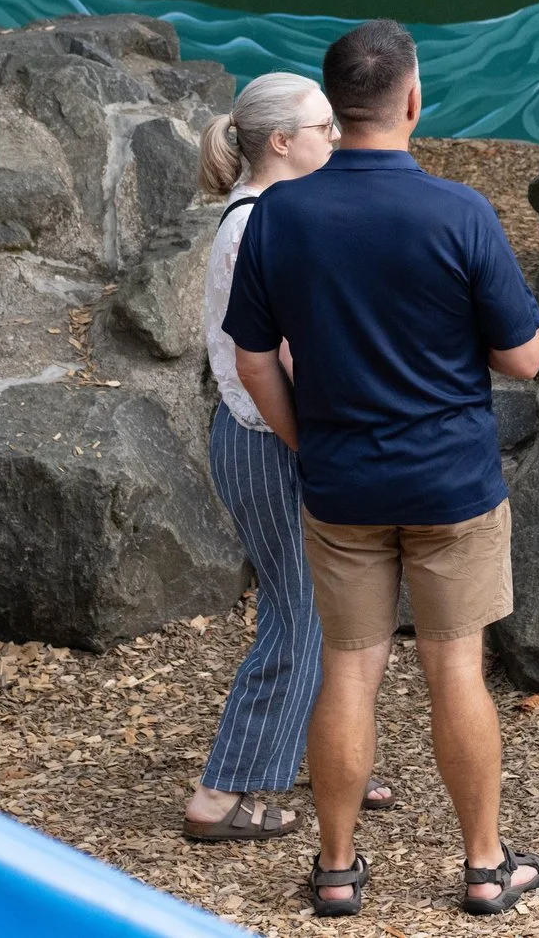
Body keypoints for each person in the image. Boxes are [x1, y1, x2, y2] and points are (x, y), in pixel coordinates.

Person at [223, 20, 539, 919]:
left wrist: (303, 441)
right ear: (412, 100)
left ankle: (336, 869)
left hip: (341, 484)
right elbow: (523, 359)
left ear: (336, 110)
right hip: (451, 484)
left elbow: (254, 361)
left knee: (349, 670)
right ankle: (485, 867)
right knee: (456, 672)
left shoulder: (279, 214)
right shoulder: (461, 212)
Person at [182, 73, 398, 842]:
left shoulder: (277, 212)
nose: (335, 140)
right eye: (323, 129)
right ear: (281, 141)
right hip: (265, 439)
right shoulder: (252, 224)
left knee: (333, 606)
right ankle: (222, 790)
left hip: (282, 435)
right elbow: (263, 357)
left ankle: (332, 754)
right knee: (299, 611)